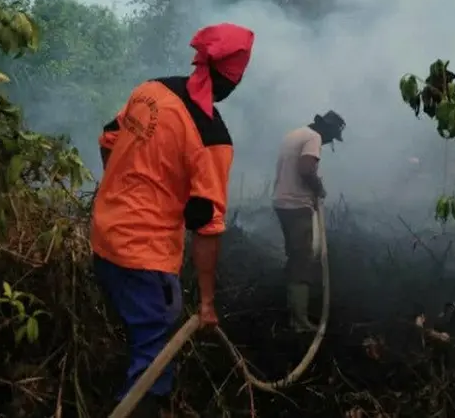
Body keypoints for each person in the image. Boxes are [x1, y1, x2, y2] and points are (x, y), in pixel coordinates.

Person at [91, 23, 255, 417]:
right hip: (144, 258)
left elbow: (108, 140)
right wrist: (207, 303)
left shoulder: (151, 91)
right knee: (155, 361)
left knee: (132, 334)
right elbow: (205, 225)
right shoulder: (211, 135)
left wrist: (118, 195)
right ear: (233, 80)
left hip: (103, 238)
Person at [271, 110, 346, 333]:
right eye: (332, 136)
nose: (330, 141)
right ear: (326, 129)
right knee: (302, 260)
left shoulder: (296, 133)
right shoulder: (314, 138)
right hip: (296, 205)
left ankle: (293, 312)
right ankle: (300, 321)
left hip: (283, 202)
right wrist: (318, 187)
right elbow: (305, 168)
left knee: (296, 256)